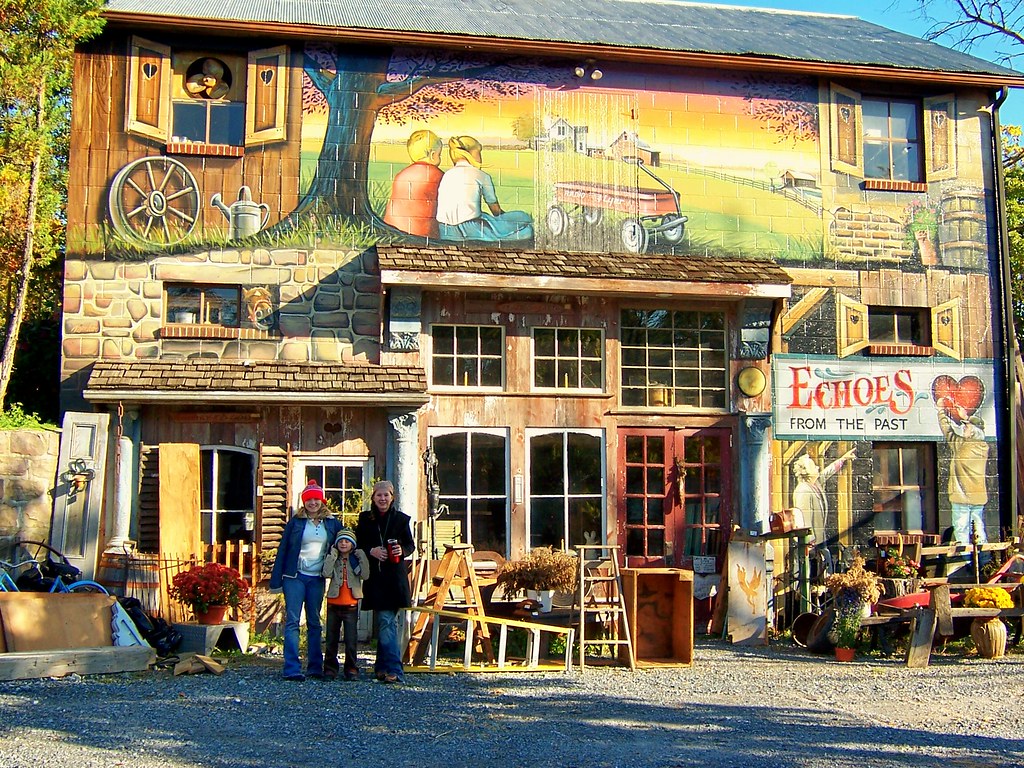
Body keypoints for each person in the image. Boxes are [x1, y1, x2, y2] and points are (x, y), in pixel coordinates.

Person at [269, 480, 341, 681]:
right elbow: (283, 549)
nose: (313, 503)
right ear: (304, 502)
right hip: (295, 576)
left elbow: (345, 540)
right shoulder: (296, 522)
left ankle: (315, 667)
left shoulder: (331, 522)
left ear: (322, 501)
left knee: (314, 622)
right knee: (293, 621)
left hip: (317, 577)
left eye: (316, 499)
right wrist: (276, 580)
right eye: (309, 499)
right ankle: (291, 668)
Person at [355, 480, 414, 684]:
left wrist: (401, 550)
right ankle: (382, 667)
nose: (382, 499)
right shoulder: (365, 519)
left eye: (386, 495)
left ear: (392, 497)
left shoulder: (401, 520)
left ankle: (394, 669)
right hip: (375, 578)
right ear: (373, 498)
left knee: (387, 621)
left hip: (395, 579)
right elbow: (358, 543)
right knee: (385, 622)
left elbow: (410, 545)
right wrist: (371, 550)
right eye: (379, 495)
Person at [435, 135, 533, 242]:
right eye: (478, 152)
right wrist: (505, 221)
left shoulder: (447, 175)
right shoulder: (481, 175)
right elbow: (496, 211)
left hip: (445, 229)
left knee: (514, 220)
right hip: (472, 228)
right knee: (525, 225)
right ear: (470, 154)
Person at [791, 449, 856, 576]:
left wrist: (842, 459)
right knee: (810, 574)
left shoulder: (813, 484)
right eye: (813, 466)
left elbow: (825, 474)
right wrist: (809, 542)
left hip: (819, 540)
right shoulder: (803, 490)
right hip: (811, 543)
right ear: (806, 472)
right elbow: (804, 516)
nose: (817, 467)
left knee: (824, 569)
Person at [937, 400, 990, 551]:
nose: (964, 429)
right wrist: (966, 418)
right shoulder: (983, 447)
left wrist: (941, 411)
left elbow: (947, 430)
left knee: (961, 530)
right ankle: (982, 558)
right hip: (978, 496)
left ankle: (965, 560)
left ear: (973, 431)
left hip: (961, 497)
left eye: (967, 427)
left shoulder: (961, 445)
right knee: (979, 528)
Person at [321, 528, 369, 681]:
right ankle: (330, 669)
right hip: (333, 603)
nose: (343, 544)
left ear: (352, 544)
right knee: (331, 638)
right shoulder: (334, 559)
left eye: (347, 541)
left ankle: (351, 668)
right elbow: (326, 573)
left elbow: (365, 575)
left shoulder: (355, 559)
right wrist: (332, 555)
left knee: (350, 639)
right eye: (341, 541)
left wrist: (362, 557)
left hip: (351, 604)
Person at [383, 129, 445, 239]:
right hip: (420, 233)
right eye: (439, 154)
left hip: (394, 229)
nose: (440, 157)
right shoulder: (436, 175)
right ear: (432, 155)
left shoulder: (401, 175)